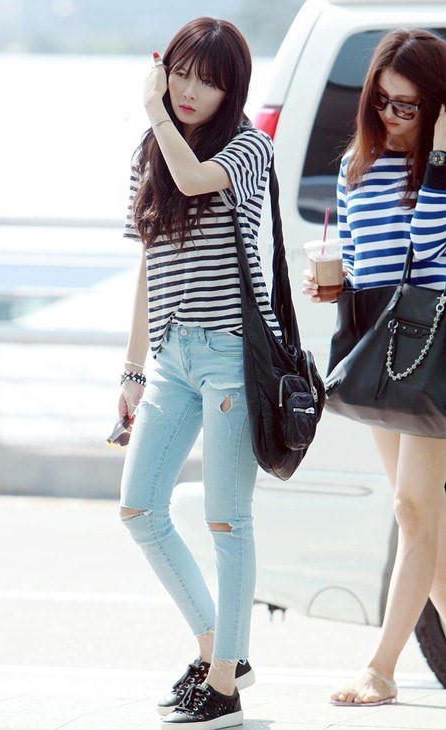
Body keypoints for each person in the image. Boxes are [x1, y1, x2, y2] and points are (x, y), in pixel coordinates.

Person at [118, 17, 282, 729]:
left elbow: (192, 177)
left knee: (226, 518)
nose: (189, 91)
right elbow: (148, 262)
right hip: (170, 357)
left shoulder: (248, 148)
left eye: (208, 81)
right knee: (139, 510)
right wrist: (132, 369)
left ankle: (223, 689)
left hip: (231, 358)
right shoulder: (148, 151)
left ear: (232, 89)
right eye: (180, 73)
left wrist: (153, 109)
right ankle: (222, 651)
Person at [302, 28, 446, 707]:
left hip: (435, 349)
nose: (391, 116)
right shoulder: (355, 167)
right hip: (380, 354)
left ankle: (381, 669)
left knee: (414, 510)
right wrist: (332, 285)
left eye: (408, 105)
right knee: (419, 517)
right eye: (381, 101)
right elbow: (363, 260)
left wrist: (437, 159)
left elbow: (430, 253)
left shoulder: (439, 165)